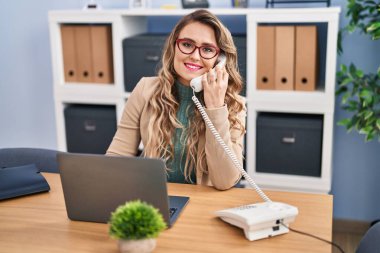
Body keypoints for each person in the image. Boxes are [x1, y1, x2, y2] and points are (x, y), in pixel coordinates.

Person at [107, 9, 246, 190]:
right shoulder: (145, 90)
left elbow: (225, 181)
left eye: (207, 49)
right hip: (154, 200)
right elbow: (117, 158)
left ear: (220, 59)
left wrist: (215, 108)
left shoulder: (235, 105)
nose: (195, 56)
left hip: (202, 208)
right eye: (187, 44)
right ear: (174, 46)